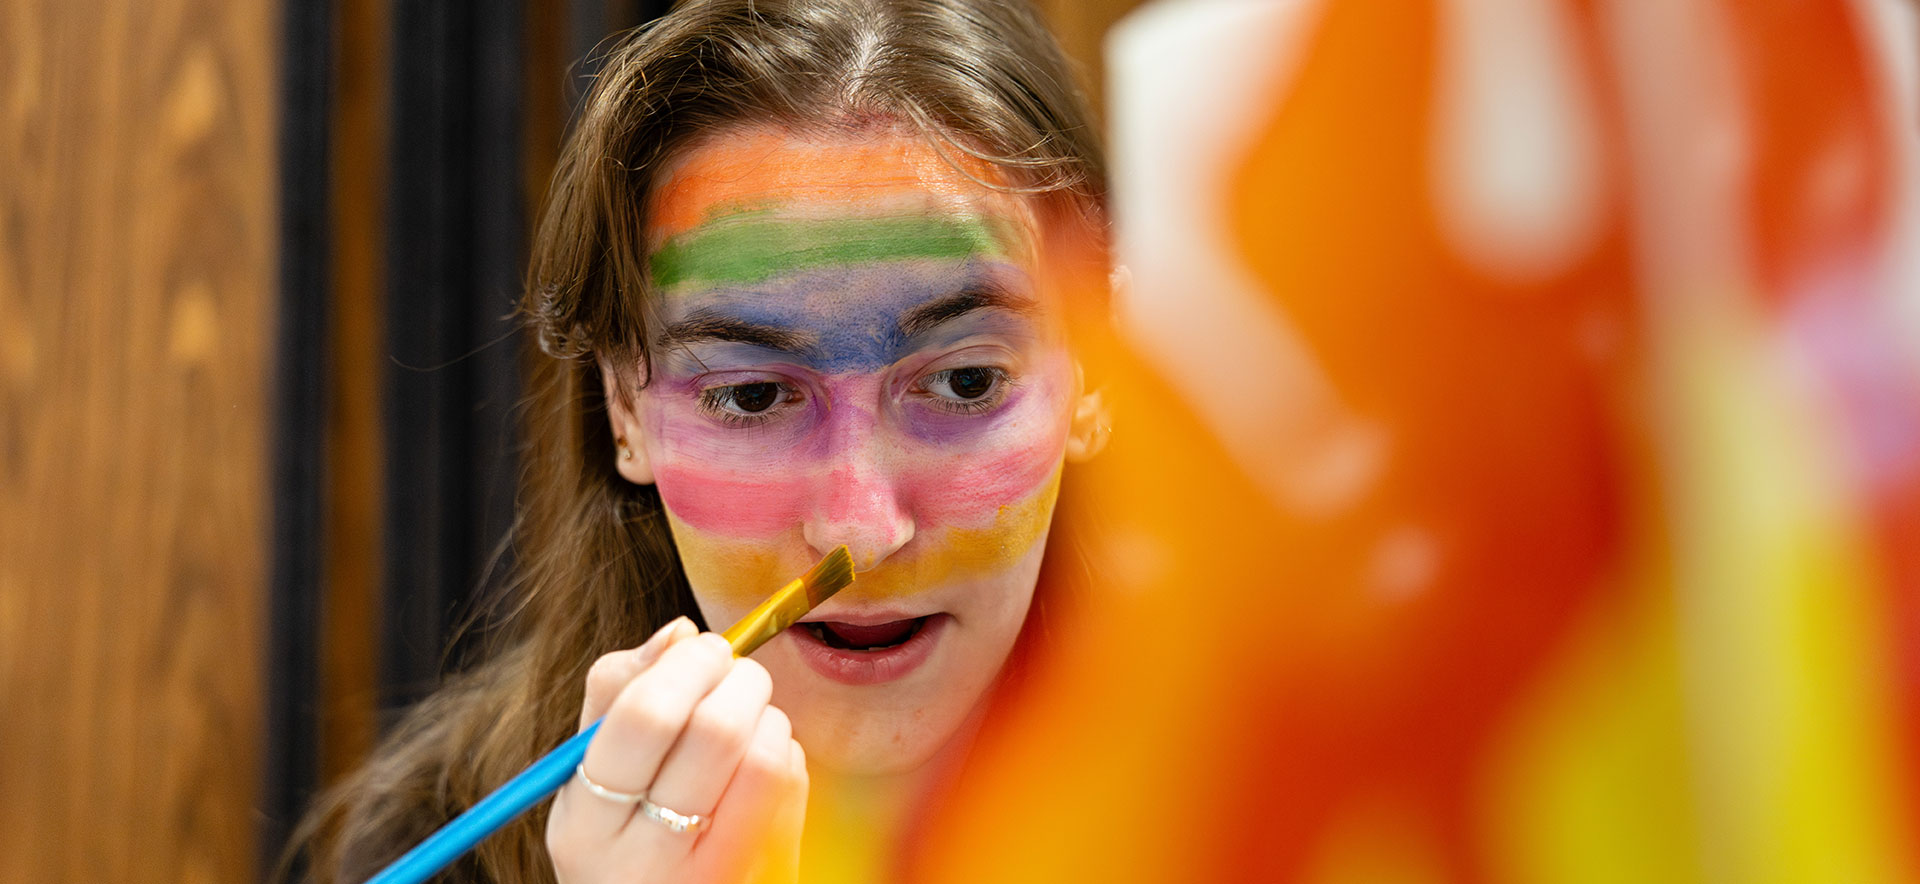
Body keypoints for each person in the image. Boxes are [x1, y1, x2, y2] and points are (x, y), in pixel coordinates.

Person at [291, 0, 1111, 880]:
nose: (860, 530)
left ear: (1102, 375)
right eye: (753, 396)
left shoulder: (1256, 820)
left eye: (965, 382)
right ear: (624, 412)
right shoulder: (440, 843)